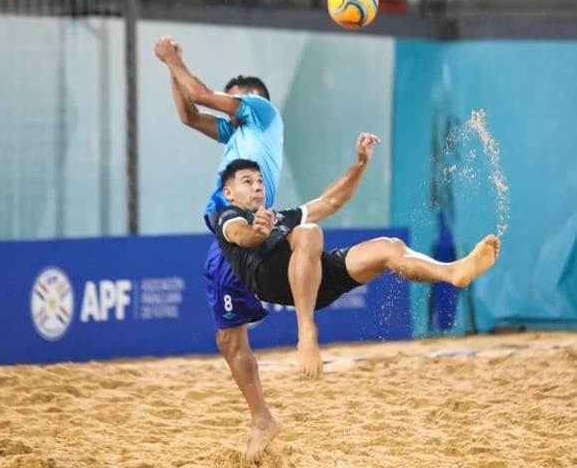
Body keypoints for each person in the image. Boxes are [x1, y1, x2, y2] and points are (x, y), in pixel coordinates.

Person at [214, 141, 502, 380]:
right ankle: (306, 331)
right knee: (309, 232)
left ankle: (453, 272)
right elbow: (241, 236)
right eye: (247, 182)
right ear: (229, 193)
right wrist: (257, 231)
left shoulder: (279, 217)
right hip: (269, 277)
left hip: (314, 277)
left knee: (388, 248)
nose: (257, 186)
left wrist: (361, 163)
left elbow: (331, 202)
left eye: (260, 181)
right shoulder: (228, 217)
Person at [154, 36, 286, 462]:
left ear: (252, 100)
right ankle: (262, 417)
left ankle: (262, 418)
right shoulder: (238, 134)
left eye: (232, 101)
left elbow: (199, 95)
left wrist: (172, 58)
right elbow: (190, 114)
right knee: (228, 339)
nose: (225, 106)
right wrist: (173, 67)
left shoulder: (263, 113)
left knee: (230, 338)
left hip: (242, 227)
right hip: (226, 230)